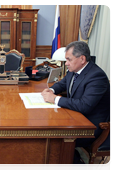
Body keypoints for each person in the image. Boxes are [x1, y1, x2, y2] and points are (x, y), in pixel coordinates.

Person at [41, 41, 112, 169]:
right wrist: (51, 90)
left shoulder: (96, 76)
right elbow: (62, 84)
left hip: (92, 126)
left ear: (82, 59)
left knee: (56, 139)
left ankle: (76, 165)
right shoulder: (74, 70)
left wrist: (55, 99)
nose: (66, 63)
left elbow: (85, 105)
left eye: (69, 59)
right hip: (77, 117)